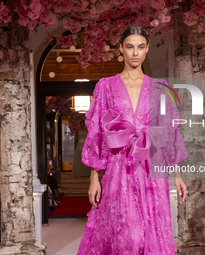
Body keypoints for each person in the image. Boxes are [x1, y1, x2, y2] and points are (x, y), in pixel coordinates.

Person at [77, 26, 189, 254]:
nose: (135, 53)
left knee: (152, 234)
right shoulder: (106, 86)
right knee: (128, 235)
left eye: (140, 47)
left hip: (152, 168)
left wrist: (178, 174)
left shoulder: (160, 87)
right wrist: (94, 177)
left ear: (147, 49)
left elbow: (170, 131)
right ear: (121, 49)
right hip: (119, 169)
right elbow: (97, 132)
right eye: (129, 47)